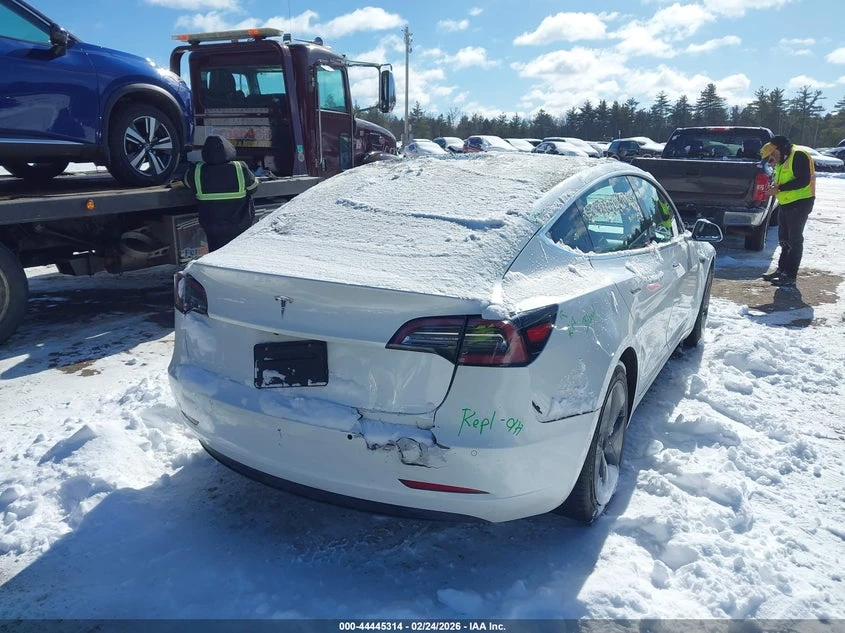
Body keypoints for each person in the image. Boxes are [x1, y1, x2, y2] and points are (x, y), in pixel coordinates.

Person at [183, 135, 259, 252]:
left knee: (217, 255)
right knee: (241, 255)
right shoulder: (239, 167)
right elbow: (253, 187)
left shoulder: (197, 171)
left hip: (212, 227)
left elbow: (187, 184)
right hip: (239, 224)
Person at [759, 135, 815, 287]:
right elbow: (781, 179)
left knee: (794, 241)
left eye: (773, 154)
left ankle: (790, 275)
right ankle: (781, 270)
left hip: (800, 204)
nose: (772, 158)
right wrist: (774, 186)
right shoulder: (782, 159)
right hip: (786, 203)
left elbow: (803, 180)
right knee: (784, 240)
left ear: (781, 149)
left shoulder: (798, 155)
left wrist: (779, 188)